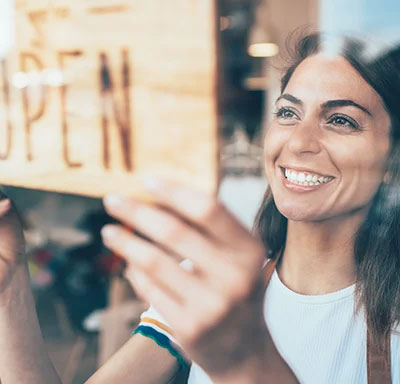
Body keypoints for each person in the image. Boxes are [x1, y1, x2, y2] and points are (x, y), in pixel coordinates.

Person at [0, 32, 399, 383]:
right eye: (288, 113)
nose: (298, 142)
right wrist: (12, 283)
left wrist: (244, 360)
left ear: (392, 158)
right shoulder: (210, 286)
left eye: (342, 121)